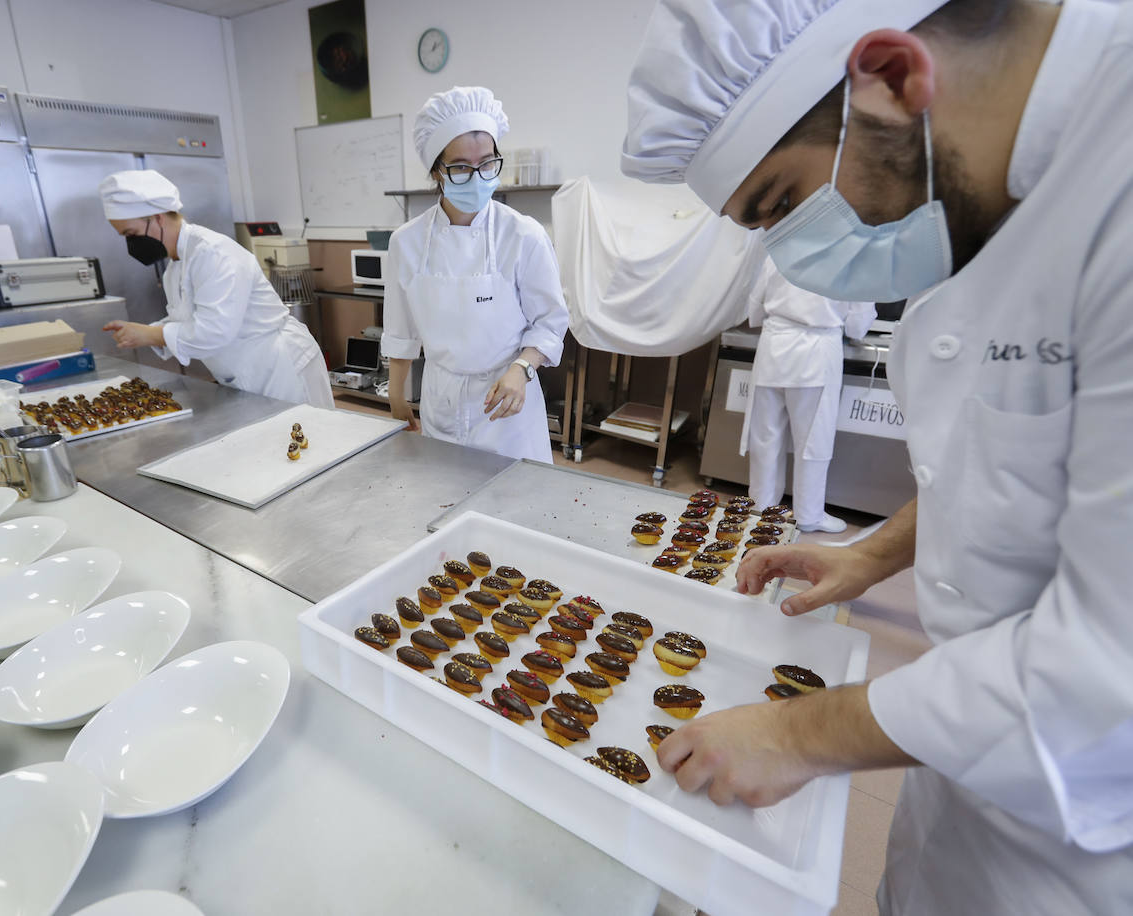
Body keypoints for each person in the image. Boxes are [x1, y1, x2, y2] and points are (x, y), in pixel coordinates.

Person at [623, 0, 1133, 913]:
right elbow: (1024, 452)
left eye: (783, 203)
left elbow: (1110, 672)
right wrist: (871, 554)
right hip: (961, 778)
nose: (795, 252)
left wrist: (799, 735)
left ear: (894, 77)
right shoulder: (990, 183)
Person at [382, 87, 569, 462]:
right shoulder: (407, 242)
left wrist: (521, 368)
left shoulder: (523, 235)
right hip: (442, 398)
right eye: (462, 167)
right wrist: (397, 395)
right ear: (437, 170)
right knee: (445, 498)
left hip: (507, 400)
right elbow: (401, 331)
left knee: (513, 502)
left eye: (487, 163)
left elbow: (550, 322)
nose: (478, 176)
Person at [98, 170, 333, 408]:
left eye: (132, 234)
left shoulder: (213, 253)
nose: (131, 244)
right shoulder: (176, 267)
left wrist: (151, 335)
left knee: (308, 438)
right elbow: (189, 318)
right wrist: (144, 332)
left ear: (157, 218)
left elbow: (214, 330)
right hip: (244, 370)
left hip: (279, 367)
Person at [740, 259, 875, 532]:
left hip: (773, 347)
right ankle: (809, 515)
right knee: (813, 439)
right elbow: (858, 325)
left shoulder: (781, 250)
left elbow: (754, 306)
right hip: (817, 352)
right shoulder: (855, 258)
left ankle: (760, 507)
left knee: (765, 436)